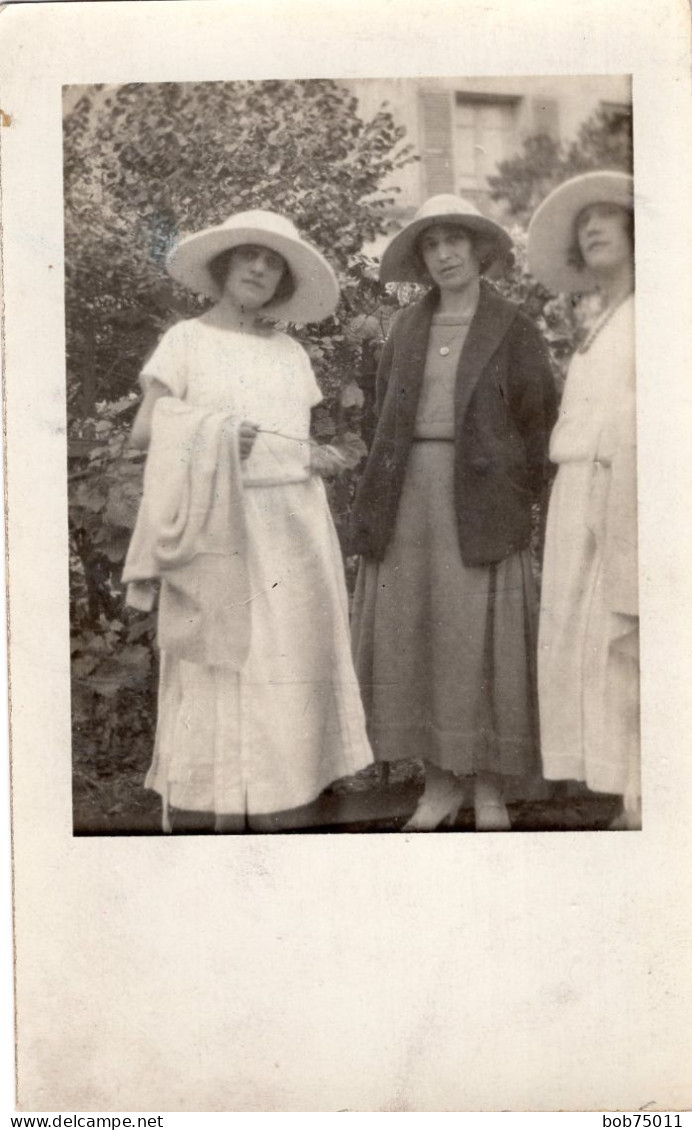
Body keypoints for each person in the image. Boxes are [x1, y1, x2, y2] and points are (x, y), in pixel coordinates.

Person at [123, 209, 373, 832]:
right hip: (219, 528)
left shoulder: (291, 354)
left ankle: (280, 811)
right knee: (227, 665)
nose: (259, 268)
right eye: (247, 256)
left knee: (286, 671)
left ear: (283, 280)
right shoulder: (186, 340)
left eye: (273, 262)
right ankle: (223, 818)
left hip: (292, 527)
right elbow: (143, 433)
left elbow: (295, 444)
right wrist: (213, 438)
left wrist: (323, 458)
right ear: (223, 266)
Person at [349, 194, 557, 831]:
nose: (443, 254)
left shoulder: (513, 327)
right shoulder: (406, 328)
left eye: (454, 241)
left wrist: (511, 486)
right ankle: (438, 786)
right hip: (409, 498)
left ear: (479, 249)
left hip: (483, 504)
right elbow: (378, 413)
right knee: (422, 638)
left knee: (481, 646)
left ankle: (491, 788)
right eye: (431, 245)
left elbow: (541, 421)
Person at [527, 171, 640, 830]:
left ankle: (649, 799)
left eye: (607, 215)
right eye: (583, 222)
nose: (592, 227)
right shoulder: (601, 319)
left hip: (624, 488)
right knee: (590, 638)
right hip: (579, 488)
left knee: (628, 634)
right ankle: (627, 789)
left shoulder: (659, 307)